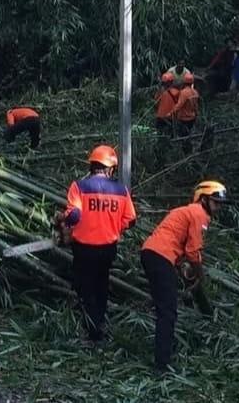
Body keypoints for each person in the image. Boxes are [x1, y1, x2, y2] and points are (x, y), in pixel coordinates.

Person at [140, 181, 231, 372]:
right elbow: (193, 251)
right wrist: (200, 274)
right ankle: (161, 365)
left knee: (164, 302)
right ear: (204, 199)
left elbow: (175, 241)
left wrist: (181, 267)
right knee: (168, 311)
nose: (218, 207)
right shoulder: (199, 214)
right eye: (215, 203)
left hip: (152, 253)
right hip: (160, 257)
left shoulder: (185, 211)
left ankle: (162, 353)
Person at [60, 145, 137, 345]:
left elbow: (74, 215)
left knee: (85, 288)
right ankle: (100, 322)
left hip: (84, 248)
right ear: (111, 168)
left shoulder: (79, 186)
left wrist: (64, 223)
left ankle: (93, 331)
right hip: (108, 248)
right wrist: (113, 227)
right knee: (101, 285)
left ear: (92, 165)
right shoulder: (121, 190)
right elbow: (131, 220)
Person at [169, 73, 200, 152]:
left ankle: (186, 152)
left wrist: (171, 112)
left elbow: (179, 105)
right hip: (192, 118)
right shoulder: (195, 92)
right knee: (189, 134)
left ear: (184, 82)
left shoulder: (184, 93)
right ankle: (189, 150)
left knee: (184, 136)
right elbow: (196, 106)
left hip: (184, 118)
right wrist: (197, 114)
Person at [154, 73, 179, 138]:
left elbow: (156, 102)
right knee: (171, 136)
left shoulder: (160, 92)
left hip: (160, 116)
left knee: (159, 135)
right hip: (170, 117)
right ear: (171, 82)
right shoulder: (176, 92)